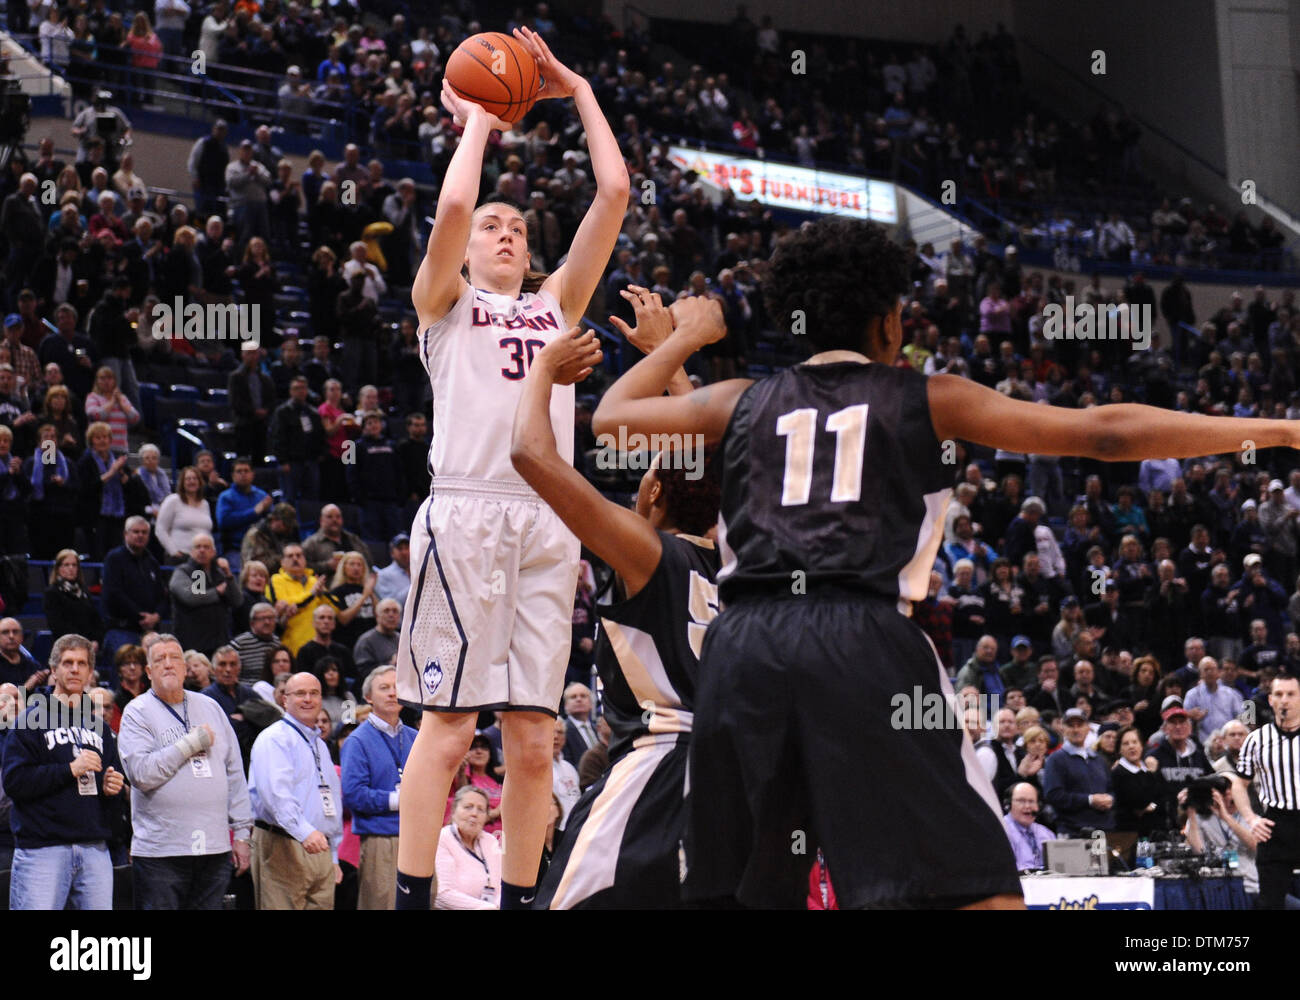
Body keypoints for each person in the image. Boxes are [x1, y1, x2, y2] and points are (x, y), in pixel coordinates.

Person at [593, 217, 1300, 908]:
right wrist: (1279, 429)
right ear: (891, 322)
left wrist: (687, 335)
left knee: (750, 887)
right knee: (979, 890)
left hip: (742, 649)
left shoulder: (741, 400)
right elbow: (1106, 433)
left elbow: (610, 417)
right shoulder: (930, 397)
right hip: (861, 638)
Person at [395, 25, 628, 913]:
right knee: (450, 729)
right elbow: (451, 214)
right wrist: (481, 123)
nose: (503, 231)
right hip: (466, 512)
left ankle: (521, 902)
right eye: (493, 223)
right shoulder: (443, 303)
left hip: (549, 521)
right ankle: (416, 899)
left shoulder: (556, 304)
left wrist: (576, 89)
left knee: (535, 743)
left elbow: (613, 189)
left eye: (518, 227)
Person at [118, 635, 253, 909]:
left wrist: (242, 834)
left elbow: (235, 773)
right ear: (148, 671)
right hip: (162, 853)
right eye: (159, 659)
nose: (168, 664)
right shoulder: (137, 712)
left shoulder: (211, 707)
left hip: (214, 849)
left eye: (174, 658)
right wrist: (190, 744)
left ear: (185, 667)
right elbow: (141, 775)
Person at [3, 634, 125, 910]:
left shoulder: (99, 726)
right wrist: (70, 769)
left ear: (91, 672)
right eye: (67, 663)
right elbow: (15, 781)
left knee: (96, 950)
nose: (74, 669)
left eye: (82, 663)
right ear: (54, 669)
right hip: (43, 850)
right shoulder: (30, 720)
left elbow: (106, 781)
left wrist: (110, 786)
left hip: (94, 847)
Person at [247, 671, 343, 909]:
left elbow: (332, 800)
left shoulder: (320, 744)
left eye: (314, 693)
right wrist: (304, 832)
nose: (308, 699)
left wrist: (333, 854)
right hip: (284, 842)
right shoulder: (274, 738)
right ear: (284, 700)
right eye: (300, 693)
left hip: (320, 847)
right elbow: (276, 796)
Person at [341, 665, 417, 909]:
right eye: (384, 688)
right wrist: (397, 800)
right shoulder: (357, 740)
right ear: (369, 697)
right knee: (381, 904)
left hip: (416, 836)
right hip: (380, 838)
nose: (392, 693)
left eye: (397, 688)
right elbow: (354, 795)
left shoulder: (416, 737)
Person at [1230, 672, 1300, 909]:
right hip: (1274, 825)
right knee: (1270, 903)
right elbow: (1239, 783)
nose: (1285, 700)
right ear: (1270, 700)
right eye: (1279, 694)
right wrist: (1251, 818)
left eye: (1291, 694)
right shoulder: (1256, 739)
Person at [101, 516, 168, 664]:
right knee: (126, 669)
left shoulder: (152, 562)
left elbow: (162, 596)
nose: (140, 535)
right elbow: (114, 593)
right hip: (122, 628)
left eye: (144, 532)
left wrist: (156, 615)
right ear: (126, 534)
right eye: (136, 532)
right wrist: (140, 616)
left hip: (149, 630)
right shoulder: (114, 559)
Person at [1042, 708, 1116, 837]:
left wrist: (1110, 799)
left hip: (1104, 830)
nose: (1076, 730)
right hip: (1073, 832)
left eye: (1080, 725)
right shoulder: (1055, 760)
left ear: (1088, 728)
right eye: (1070, 725)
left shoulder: (1099, 760)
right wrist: (1089, 800)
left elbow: (1111, 789)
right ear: (1063, 729)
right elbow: (1053, 795)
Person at [168, 533, 242, 657]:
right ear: (191, 552)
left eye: (206, 547)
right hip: (193, 643)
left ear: (213, 552)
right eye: (198, 547)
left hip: (218, 643)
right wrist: (217, 592)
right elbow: (193, 598)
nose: (202, 550)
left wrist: (229, 575)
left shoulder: (219, 572)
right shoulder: (186, 571)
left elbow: (237, 601)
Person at [1183, 782, 1258, 903]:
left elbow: (1255, 845)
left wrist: (1226, 817)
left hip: (1248, 885)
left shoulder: (1252, 819)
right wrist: (1191, 814)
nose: (1227, 792)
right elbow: (1198, 851)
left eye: (1231, 788)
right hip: (1215, 887)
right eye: (1223, 789)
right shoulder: (1201, 817)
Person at [1145, 701, 1213, 829]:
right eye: (1173, 723)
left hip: (1199, 818)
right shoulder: (1154, 755)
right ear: (1165, 728)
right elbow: (1150, 790)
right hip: (1166, 820)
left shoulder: (1199, 754)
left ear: (1190, 727)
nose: (1178, 727)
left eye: (1182, 722)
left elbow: (1211, 779)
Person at [435, 785, 502, 909]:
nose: (474, 814)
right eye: (468, 807)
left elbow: (501, 885)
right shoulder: (443, 838)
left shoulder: (490, 840)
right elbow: (442, 895)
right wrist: (488, 908)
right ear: (454, 811)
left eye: (481, 809)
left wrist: (498, 906)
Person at [266, 543, 330, 655]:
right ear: (282, 562)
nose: (295, 558)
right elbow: (285, 604)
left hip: (319, 645)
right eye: (290, 556)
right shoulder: (276, 580)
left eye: (299, 555)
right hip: (292, 646)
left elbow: (332, 610)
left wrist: (322, 595)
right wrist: (311, 593)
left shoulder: (314, 581)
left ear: (305, 560)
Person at [1111, 725, 1166, 837]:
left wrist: (1153, 806)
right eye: (1126, 744)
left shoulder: (1149, 768)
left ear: (1141, 745)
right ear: (1120, 749)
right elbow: (1139, 800)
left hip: (1155, 831)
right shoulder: (1118, 772)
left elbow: (1163, 798)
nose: (1131, 746)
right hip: (1129, 833)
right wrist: (1151, 774)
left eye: (1135, 742)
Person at [42, 551, 104, 651]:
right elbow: (57, 624)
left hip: (88, 647)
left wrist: (96, 641)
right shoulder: (52, 593)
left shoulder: (84, 592)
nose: (71, 568)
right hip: (66, 648)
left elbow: (95, 619)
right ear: (58, 569)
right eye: (66, 565)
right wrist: (80, 643)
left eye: (74, 565)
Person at [155, 466, 214, 563]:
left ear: (200, 482)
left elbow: (207, 531)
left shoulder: (205, 504)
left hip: (202, 559)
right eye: (188, 479)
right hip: (180, 558)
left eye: (195, 478)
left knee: (201, 579)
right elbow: (160, 529)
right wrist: (174, 552)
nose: (192, 481)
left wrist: (212, 550)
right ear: (182, 482)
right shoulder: (173, 500)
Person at [301, 503, 366, 579]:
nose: (334, 520)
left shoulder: (354, 539)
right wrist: (327, 566)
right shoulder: (310, 544)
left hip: (358, 586)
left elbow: (368, 562)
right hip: (327, 587)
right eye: (329, 517)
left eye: (338, 517)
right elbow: (302, 568)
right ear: (321, 520)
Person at [1002, 782, 1055, 871]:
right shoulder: (1001, 831)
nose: (1027, 806)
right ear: (1008, 805)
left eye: (1031, 801)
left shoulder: (1046, 833)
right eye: (1021, 801)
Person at [353, 599, 400, 674]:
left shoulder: (402, 639)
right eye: (386, 611)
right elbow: (364, 671)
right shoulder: (366, 641)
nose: (391, 615)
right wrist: (390, 665)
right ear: (377, 616)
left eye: (395, 611)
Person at [0, 618, 46, 692]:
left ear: (22, 637)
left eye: (15, 632)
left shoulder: (31, 664)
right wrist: (26, 687)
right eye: (5, 632)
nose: (11, 636)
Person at [373, 533, 410, 605]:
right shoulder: (383, 575)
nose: (404, 552)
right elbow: (391, 604)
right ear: (392, 553)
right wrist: (415, 583)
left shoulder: (420, 571)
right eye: (400, 549)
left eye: (407, 548)